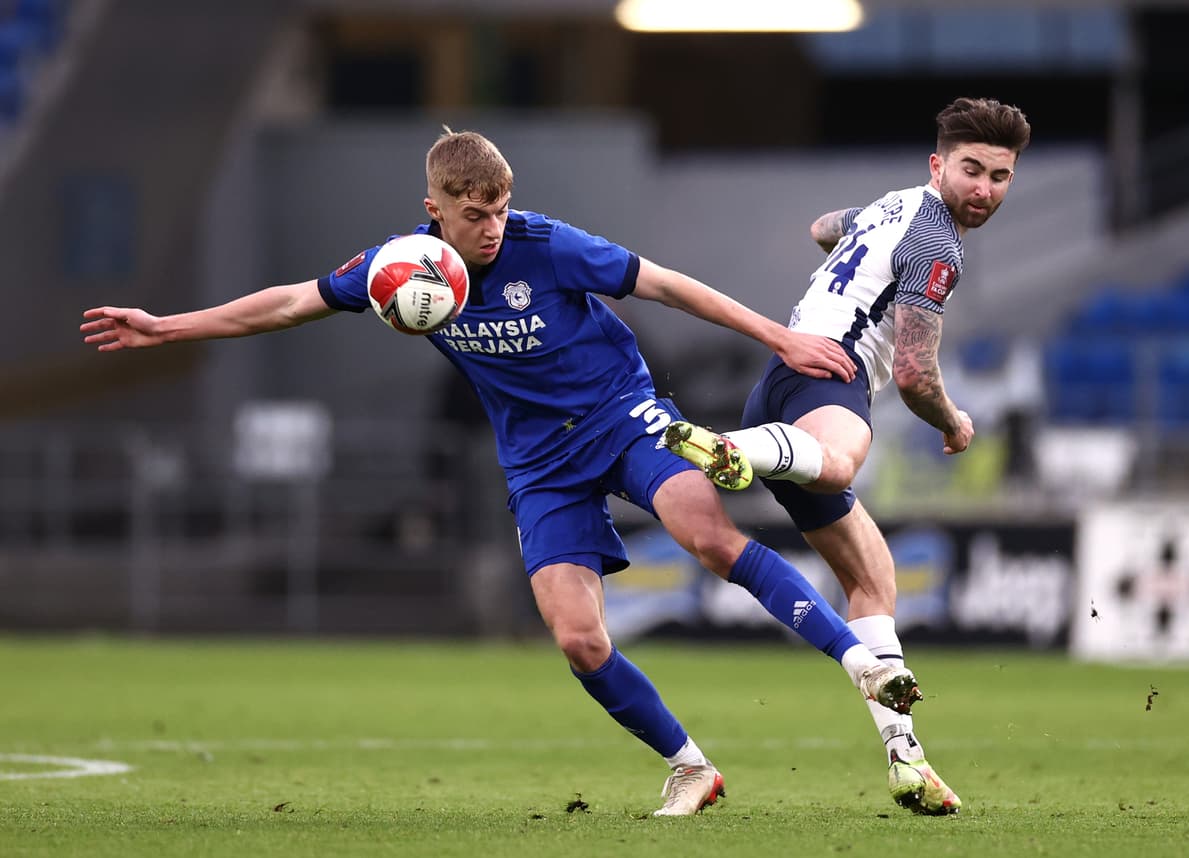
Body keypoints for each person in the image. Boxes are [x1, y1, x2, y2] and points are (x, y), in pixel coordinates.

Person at [81, 129, 925, 816]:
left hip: (621, 415)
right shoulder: (396, 269)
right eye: (476, 213)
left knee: (705, 534)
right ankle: (690, 767)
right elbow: (287, 303)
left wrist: (776, 339)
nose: (492, 226)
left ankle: (859, 661)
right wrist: (168, 328)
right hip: (538, 462)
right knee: (577, 637)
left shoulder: (545, 246)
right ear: (435, 211)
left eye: (501, 208)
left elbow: (665, 285)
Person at [664, 97, 1032, 816]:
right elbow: (919, 374)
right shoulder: (939, 247)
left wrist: (855, 256)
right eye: (970, 170)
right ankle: (732, 448)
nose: (984, 189)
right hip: (824, 380)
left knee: (873, 578)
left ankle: (907, 761)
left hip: (782, 383)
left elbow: (822, 228)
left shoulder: (893, 204)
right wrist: (955, 423)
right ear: (939, 164)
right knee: (840, 464)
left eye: (999, 175)